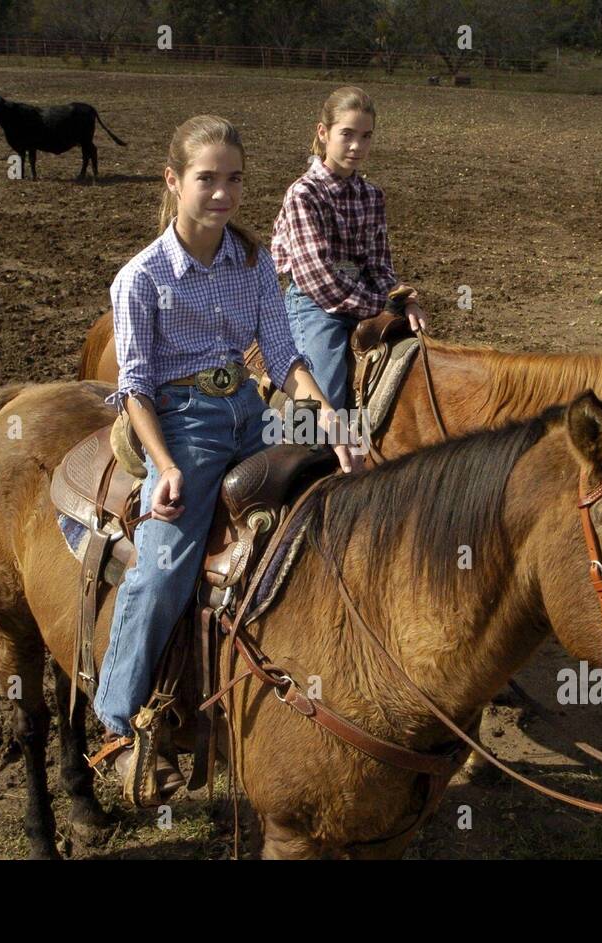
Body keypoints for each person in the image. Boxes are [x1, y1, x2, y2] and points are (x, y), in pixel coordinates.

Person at [93, 114, 359, 799]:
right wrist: (168, 468)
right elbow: (135, 389)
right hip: (182, 424)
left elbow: (281, 354)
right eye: (207, 178)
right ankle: (119, 721)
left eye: (234, 179)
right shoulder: (141, 279)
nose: (223, 193)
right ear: (174, 180)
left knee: (334, 494)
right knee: (163, 567)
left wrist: (326, 414)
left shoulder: (253, 263)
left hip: (250, 412)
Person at [271, 86, 429, 413]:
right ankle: (301, 450)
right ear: (323, 132)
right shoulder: (304, 194)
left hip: (361, 296)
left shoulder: (372, 195)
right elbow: (320, 279)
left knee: (419, 360)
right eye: (347, 134)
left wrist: (404, 300)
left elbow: (379, 264)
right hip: (314, 305)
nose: (357, 146)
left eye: (366, 136)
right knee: (323, 391)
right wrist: (380, 305)